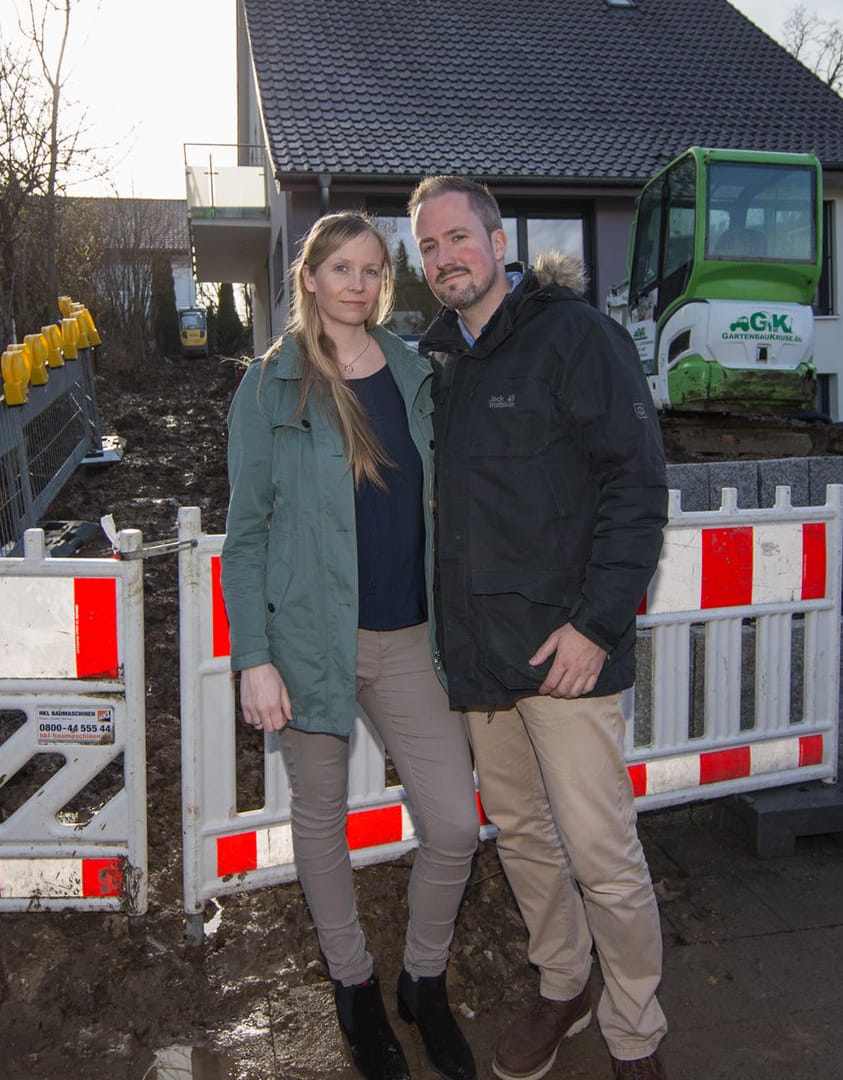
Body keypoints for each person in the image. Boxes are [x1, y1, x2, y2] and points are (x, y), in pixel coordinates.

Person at [408, 176, 672, 1080]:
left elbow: (636, 489)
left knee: (602, 852)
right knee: (521, 836)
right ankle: (564, 985)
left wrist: (597, 626)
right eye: (429, 247)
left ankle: (635, 1030)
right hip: (482, 661)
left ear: (497, 239)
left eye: (458, 237)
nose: (446, 257)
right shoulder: (436, 366)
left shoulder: (575, 337)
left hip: (566, 657)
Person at [223, 211, 482, 1080]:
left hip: (411, 639)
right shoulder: (272, 385)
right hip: (309, 641)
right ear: (309, 277)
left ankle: (423, 979)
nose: (358, 285)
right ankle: (354, 988)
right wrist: (252, 655)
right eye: (341, 267)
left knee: (453, 825)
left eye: (373, 270)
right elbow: (246, 533)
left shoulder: (417, 373)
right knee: (321, 822)